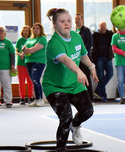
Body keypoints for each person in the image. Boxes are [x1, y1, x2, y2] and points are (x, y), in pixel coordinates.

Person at [43, 8, 98, 152]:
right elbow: (66, 60)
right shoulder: (53, 44)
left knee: (88, 111)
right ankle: (61, 149)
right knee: (65, 117)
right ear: (54, 24)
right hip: (55, 87)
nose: (67, 24)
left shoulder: (76, 36)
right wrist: (80, 71)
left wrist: (92, 67)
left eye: (69, 21)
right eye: (62, 21)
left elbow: (83, 55)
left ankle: (76, 126)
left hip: (74, 84)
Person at [21, 23, 47, 107]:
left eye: (38, 28)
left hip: (38, 61)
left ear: (41, 30)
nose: (36, 30)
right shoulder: (29, 39)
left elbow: (35, 49)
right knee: (33, 81)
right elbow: (23, 48)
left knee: (36, 80)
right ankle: (36, 99)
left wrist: (28, 50)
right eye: (34, 28)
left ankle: (40, 99)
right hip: (29, 61)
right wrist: (24, 52)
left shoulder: (42, 39)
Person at [0, 25, 16, 108]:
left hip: (6, 67)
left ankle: (8, 101)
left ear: (5, 32)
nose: (0, 32)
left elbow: (12, 55)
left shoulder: (8, 42)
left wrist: (12, 66)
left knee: (7, 85)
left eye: (2, 30)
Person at [91, 21, 114, 101]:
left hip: (108, 57)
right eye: (101, 27)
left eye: (104, 26)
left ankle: (98, 90)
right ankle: (103, 96)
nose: (103, 28)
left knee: (110, 74)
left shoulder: (110, 34)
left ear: (106, 27)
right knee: (100, 76)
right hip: (99, 58)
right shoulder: (95, 35)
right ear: (99, 27)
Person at [75, 13, 93, 102]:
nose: (77, 20)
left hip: (84, 59)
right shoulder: (73, 31)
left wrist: (82, 55)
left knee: (86, 78)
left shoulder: (86, 30)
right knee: (77, 79)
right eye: (76, 19)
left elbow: (89, 44)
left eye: (78, 19)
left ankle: (89, 98)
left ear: (82, 20)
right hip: (76, 60)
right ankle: (80, 98)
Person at [15, 25, 34, 105]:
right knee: (21, 82)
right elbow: (16, 51)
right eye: (24, 30)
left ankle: (31, 97)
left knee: (30, 81)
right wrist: (20, 54)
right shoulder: (19, 40)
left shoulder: (31, 40)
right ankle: (22, 98)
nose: (25, 32)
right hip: (20, 63)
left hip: (29, 63)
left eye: (27, 30)